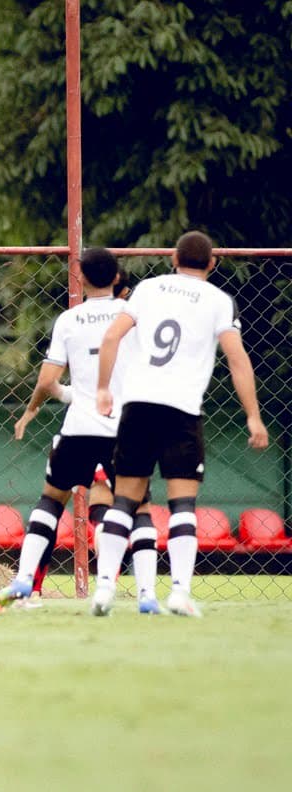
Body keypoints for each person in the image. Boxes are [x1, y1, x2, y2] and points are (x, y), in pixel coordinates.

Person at [93, 231, 268, 617]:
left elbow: (111, 337)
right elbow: (237, 360)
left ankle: (104, 588)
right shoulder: (219, 301)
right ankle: (179, 592)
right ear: (212, 263)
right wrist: (253, 416)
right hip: (181, 409)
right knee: (182, 504)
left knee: (124, 499)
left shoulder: (148, 288)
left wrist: (104, 389)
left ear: (173, 258)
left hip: (138, 404)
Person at [0, 248, 161, 613]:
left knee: (51, 500)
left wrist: (35, 408)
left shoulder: (69, 320)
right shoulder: (134, 317)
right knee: (140, 508)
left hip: (80, 426)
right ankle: (147, 595)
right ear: (118, 277)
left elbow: (48, 380)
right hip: (127, 427)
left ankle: (24, 581)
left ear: (81, 278)